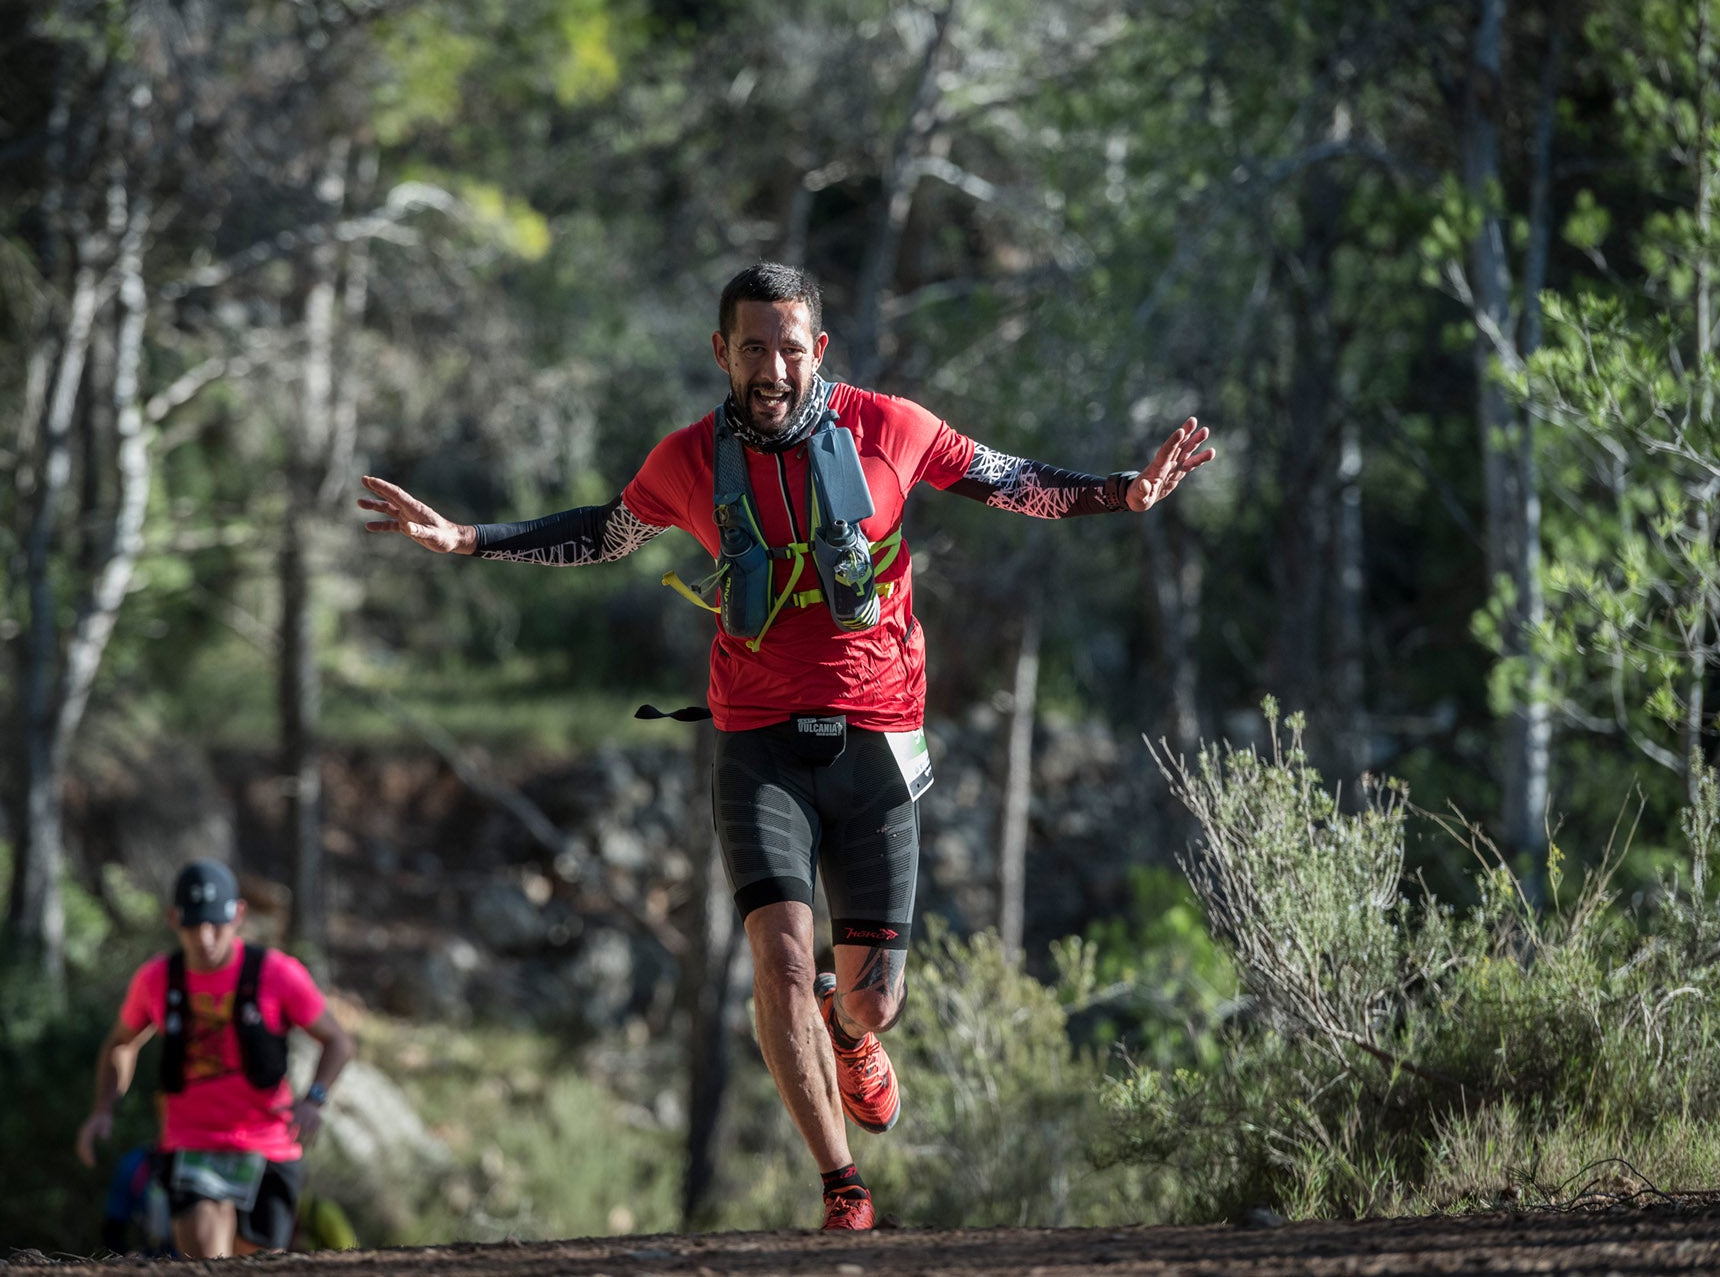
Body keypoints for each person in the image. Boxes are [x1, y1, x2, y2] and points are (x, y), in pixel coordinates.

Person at [359, 263, 1214, 1231]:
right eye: (753, 348)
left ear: (820, 351)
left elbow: (1009, 480)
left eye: (790, 348)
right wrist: (470, 539)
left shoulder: (893, 428)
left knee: (872, 1002)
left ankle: (851, 1034)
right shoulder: (685, 461)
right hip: (755, 733)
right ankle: (840, 1182)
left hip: (878, 734)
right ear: (720, 352)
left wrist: (1122, 494)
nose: (772, 368)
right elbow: (603, 533)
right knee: (776, 958)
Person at [75, 859, 354, 1257]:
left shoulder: (277, 973)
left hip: (269, 1143)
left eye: (216, 925)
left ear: (238, 915)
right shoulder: (157, 979)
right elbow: (121, 1043)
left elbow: (338, 1042)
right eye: (193, 926)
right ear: (174, 920)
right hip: (192, 1142)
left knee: (260, 1261)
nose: (204, 939)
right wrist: (103, 1108)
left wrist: (315, 1099)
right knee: (205, 1256)